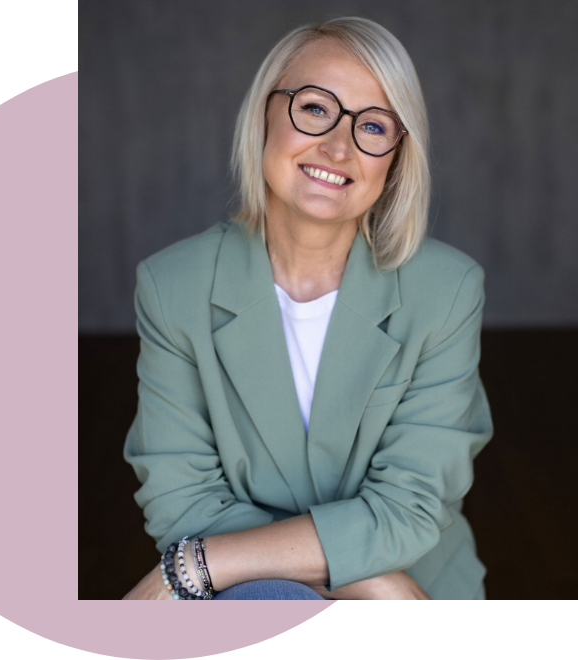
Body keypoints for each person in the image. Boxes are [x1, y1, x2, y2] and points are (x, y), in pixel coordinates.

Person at [122, 16, 493, 600]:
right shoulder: (173, 286)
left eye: (373, 125)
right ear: (264, 115)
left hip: (419, 583)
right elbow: (182, 499)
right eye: (316, 108)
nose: (339, 147)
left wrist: (197, 565)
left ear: (396, 156)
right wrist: (369, 575)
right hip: (305, 590)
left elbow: (410, 508)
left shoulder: (447, 290)